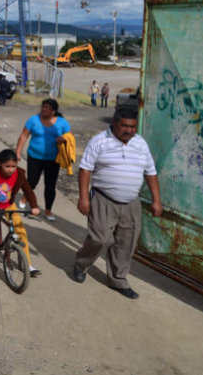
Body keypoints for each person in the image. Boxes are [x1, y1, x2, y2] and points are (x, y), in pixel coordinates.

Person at [72, 108, 162, 299]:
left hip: (131, 202)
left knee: (126, 242)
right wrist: (84, 197)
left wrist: (156, 200)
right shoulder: (99, 141)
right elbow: (85, 169)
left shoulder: (140, 143)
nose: (129, 130)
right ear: (114, 124)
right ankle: (81, 263)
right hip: (104, 198)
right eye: (125, 126)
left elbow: (150, 172)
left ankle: (117, 279)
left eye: (133, 127)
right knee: (99, 238)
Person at [15, 98, 71, 221]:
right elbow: (24, 136)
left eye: (47, 108)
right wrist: (18, 152)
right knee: (32, 181)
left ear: (53, 111)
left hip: (53, 160)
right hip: (34, 157)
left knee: (50, 185)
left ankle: (48, 209)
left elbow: (70, 137)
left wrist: (63, 139)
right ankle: (26, 197)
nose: (43, 109)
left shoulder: (62, 123)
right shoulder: (33, 120)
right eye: (43, 106)